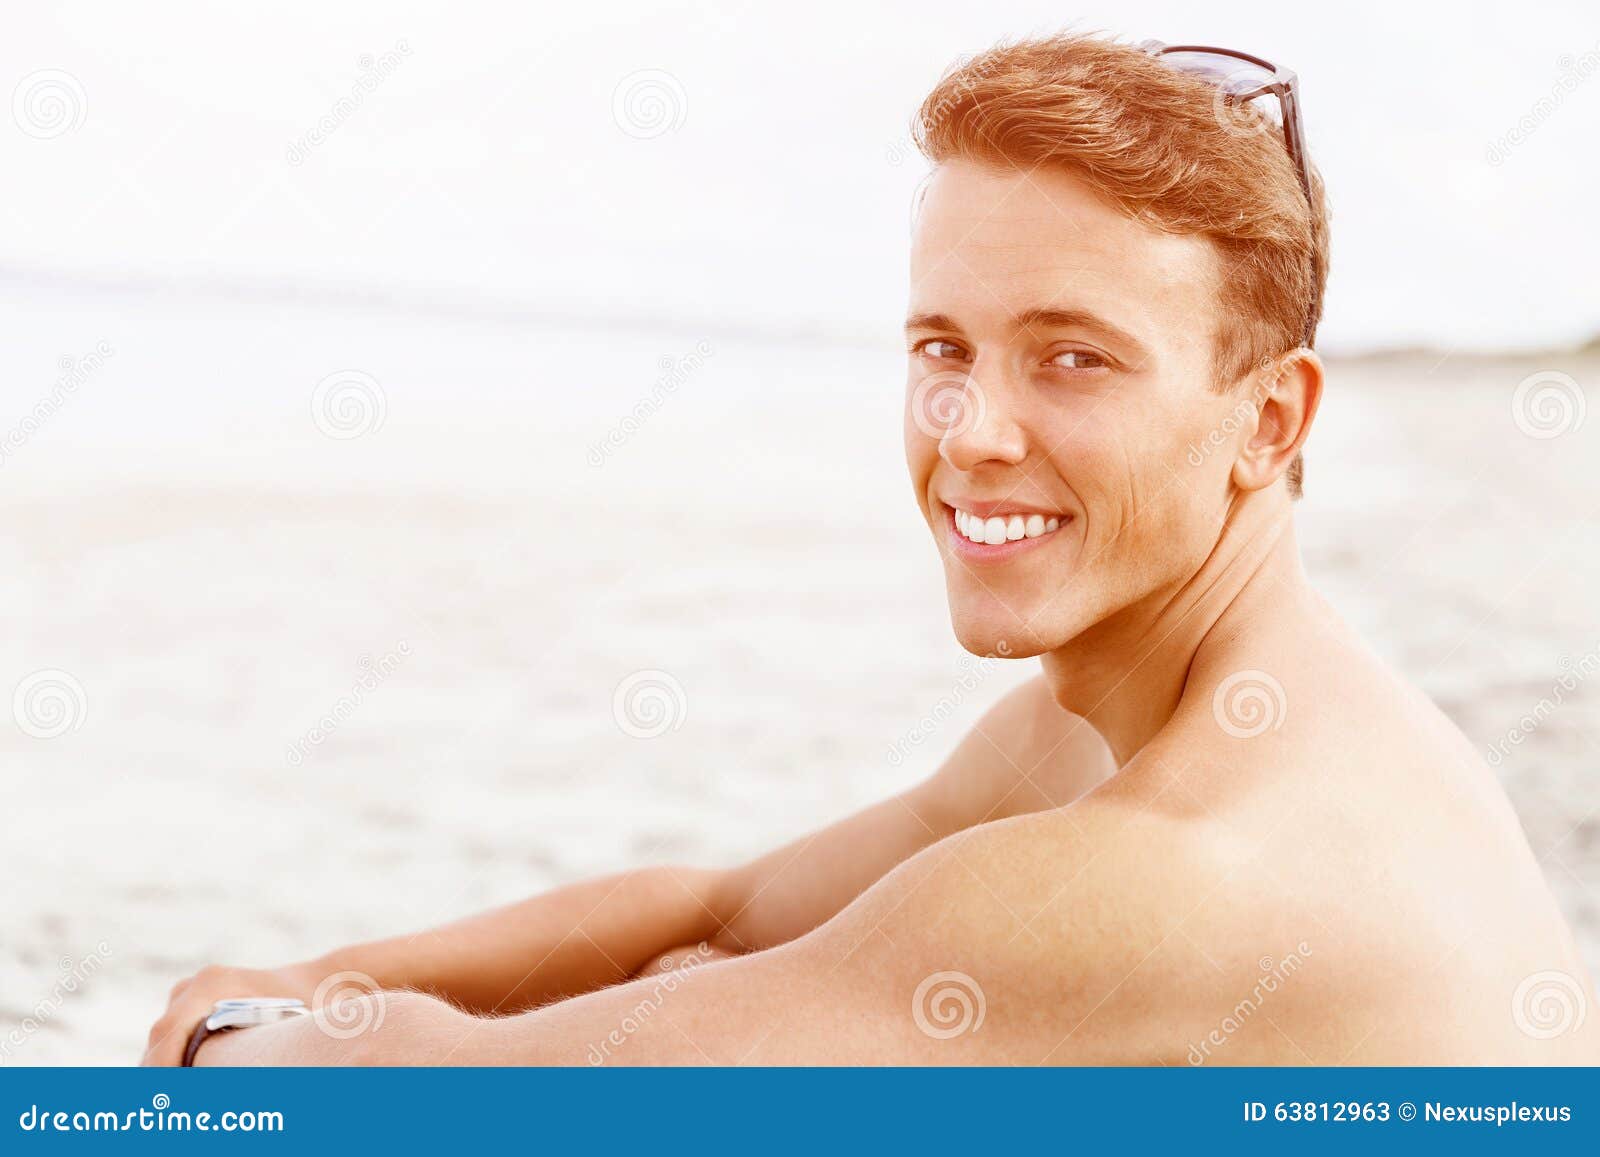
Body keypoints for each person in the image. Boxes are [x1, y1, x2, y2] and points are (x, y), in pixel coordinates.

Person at [143, 33, 1598, 1066]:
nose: (970, 428)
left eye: (1074, 359)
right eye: (942, 348)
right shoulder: (1123, 730)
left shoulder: (1186, 865)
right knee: (718, 980)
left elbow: (451, 1104)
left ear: (1268, 420)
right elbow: (718, 906)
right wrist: (332, 978)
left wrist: (234, 1035)